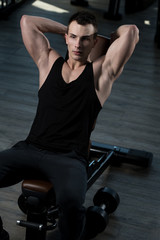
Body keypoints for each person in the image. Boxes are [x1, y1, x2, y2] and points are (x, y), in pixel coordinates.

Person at [0, 11, 139, 240]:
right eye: (73, 37)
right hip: (30, 148)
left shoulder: (99, 74)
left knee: (72, 203)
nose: (78, 44)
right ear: (66, 37)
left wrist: (112, 36)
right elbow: (28, 21)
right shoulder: (48, 63)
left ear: (94, 41)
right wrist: (66, 29)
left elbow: (132, 31)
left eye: (86, 39)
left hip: (68, 158)